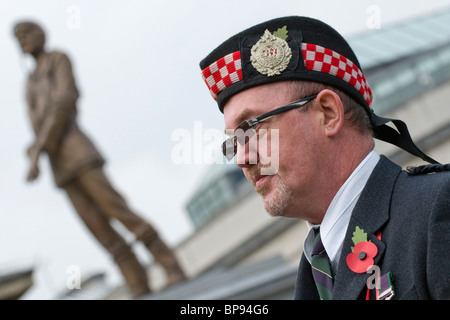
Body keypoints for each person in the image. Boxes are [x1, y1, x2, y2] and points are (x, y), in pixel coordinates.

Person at [199, 16, 450, 299]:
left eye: (252, 128)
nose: (241, 158)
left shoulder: (438, 211)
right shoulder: (313, 275)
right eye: (234, 141)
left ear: (328, 114)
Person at [13, 21, 186, 298]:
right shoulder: (29, 84)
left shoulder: (58, 59)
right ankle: (137, 284)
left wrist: (39, 148)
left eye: (26, 34)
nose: (23, 42)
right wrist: (34, 148)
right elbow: (36, 123)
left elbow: (64, 102)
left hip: (78, 152)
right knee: (100, 231)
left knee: (120, 213)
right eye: (17, 39)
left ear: (40, 34)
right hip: (60, 169)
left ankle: (171, 266)